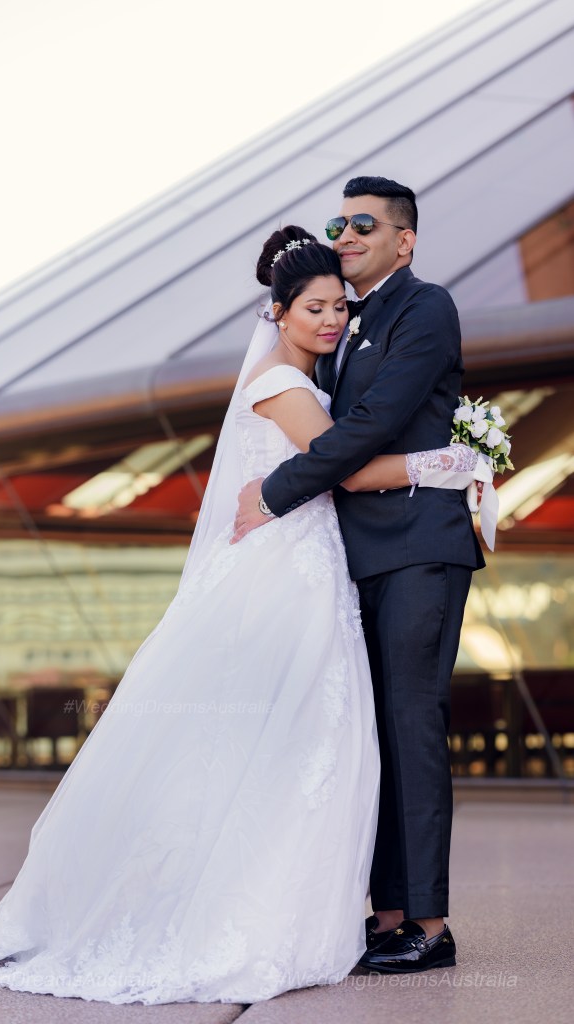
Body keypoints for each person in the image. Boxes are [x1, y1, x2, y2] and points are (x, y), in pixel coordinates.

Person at [0, 226, 478, 1004]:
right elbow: (348, 470)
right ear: (278, 312)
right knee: (282, 745)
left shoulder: (305, 379)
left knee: (302, 748)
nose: (332, 320)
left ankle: (298, 907)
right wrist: (447, 462)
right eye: (315, 308)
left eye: (339, 307)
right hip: (285, 581)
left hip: (313, 571)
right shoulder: (281, 384)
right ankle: (240, 914)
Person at [233, 179, 486, 975]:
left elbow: (372, 424)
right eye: (338, 221)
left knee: (412, 725)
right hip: (353, 559)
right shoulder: (343, 324)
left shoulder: (424, 307)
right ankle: (387, 914)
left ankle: (429, 925)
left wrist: (274, 493)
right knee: (370, 736)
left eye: (363, 224)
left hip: (416, 547)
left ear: (403, 241)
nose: (344, 233)